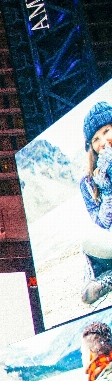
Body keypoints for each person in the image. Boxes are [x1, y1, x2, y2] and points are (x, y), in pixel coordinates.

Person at [79, 102, 112, 304]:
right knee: (87, 238)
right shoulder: (87, 183)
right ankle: (100, 281)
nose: (102, 142)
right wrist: (107, 192)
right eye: (95, 139)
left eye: (106, 131)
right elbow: (101, 227)